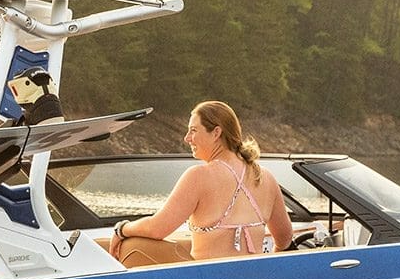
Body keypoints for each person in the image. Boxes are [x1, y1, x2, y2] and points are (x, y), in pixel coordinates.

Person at [113, 100, 293, 260]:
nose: (187, 138)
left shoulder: (199, 176)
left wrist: (121, 229)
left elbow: (157, 228)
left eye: (193, 130)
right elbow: (284, 239)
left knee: (131, 244)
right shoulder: (265, 177)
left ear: (216, 133)